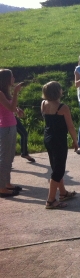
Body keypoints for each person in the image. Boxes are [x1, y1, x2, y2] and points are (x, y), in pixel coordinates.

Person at [40, 81, 79, 209]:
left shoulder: (43, 104)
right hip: (58, 140)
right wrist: (75, 141)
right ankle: (50, 200)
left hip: (48, 137)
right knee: (59, 169)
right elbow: (70, 126)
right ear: (57, 92)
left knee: (55, 166)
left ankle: (63, 193)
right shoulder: (62, 107)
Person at [0, 69, 24, 197]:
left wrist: (17, 109)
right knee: (4, 158)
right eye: (12, 76)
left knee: (9, 157)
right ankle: (1, 187)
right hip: (5, 127)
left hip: (11, 125)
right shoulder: (0, 93)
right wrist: (16, 93)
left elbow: (10, 106)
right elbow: (9, 108)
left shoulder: (5, 92)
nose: (14, 78)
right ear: (6, 79)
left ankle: (7, 183)